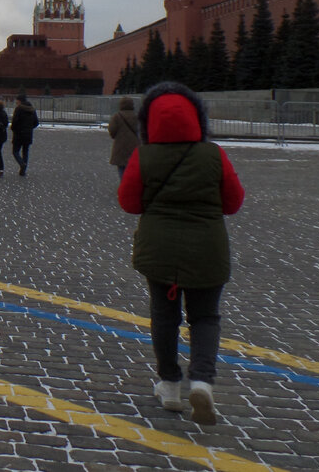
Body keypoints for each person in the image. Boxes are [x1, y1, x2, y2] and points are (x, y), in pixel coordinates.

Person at [118, 82, 245, 426]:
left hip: (159, 252)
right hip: (208, 250)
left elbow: (128, 203)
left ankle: (170, 385)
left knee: (164, 317)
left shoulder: (143, 156)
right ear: (197, 119)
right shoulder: (214, 154)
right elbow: (233, 203)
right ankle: (202, 381)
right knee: (205, 317)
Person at [108, 96, 141, 179]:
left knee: (121, 166)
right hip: (134, 145)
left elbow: (112, 130)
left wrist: (115, 136)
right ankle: (131, 182)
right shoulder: (136, 116)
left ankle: (123, 183)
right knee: (133, 165)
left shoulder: (117, 116)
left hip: (120, 145)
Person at [10, 92, 39, 176]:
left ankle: (21, 163)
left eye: (17, 101)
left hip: (18, 133)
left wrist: (13, 128)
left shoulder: (18, 109)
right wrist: (29, 128)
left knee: (15, 151)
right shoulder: (32, 109)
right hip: (28, 134)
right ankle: (23, 170)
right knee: (25, 151)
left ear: (19, 101)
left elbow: (14, 121)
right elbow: (36, 122)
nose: (16, 102)